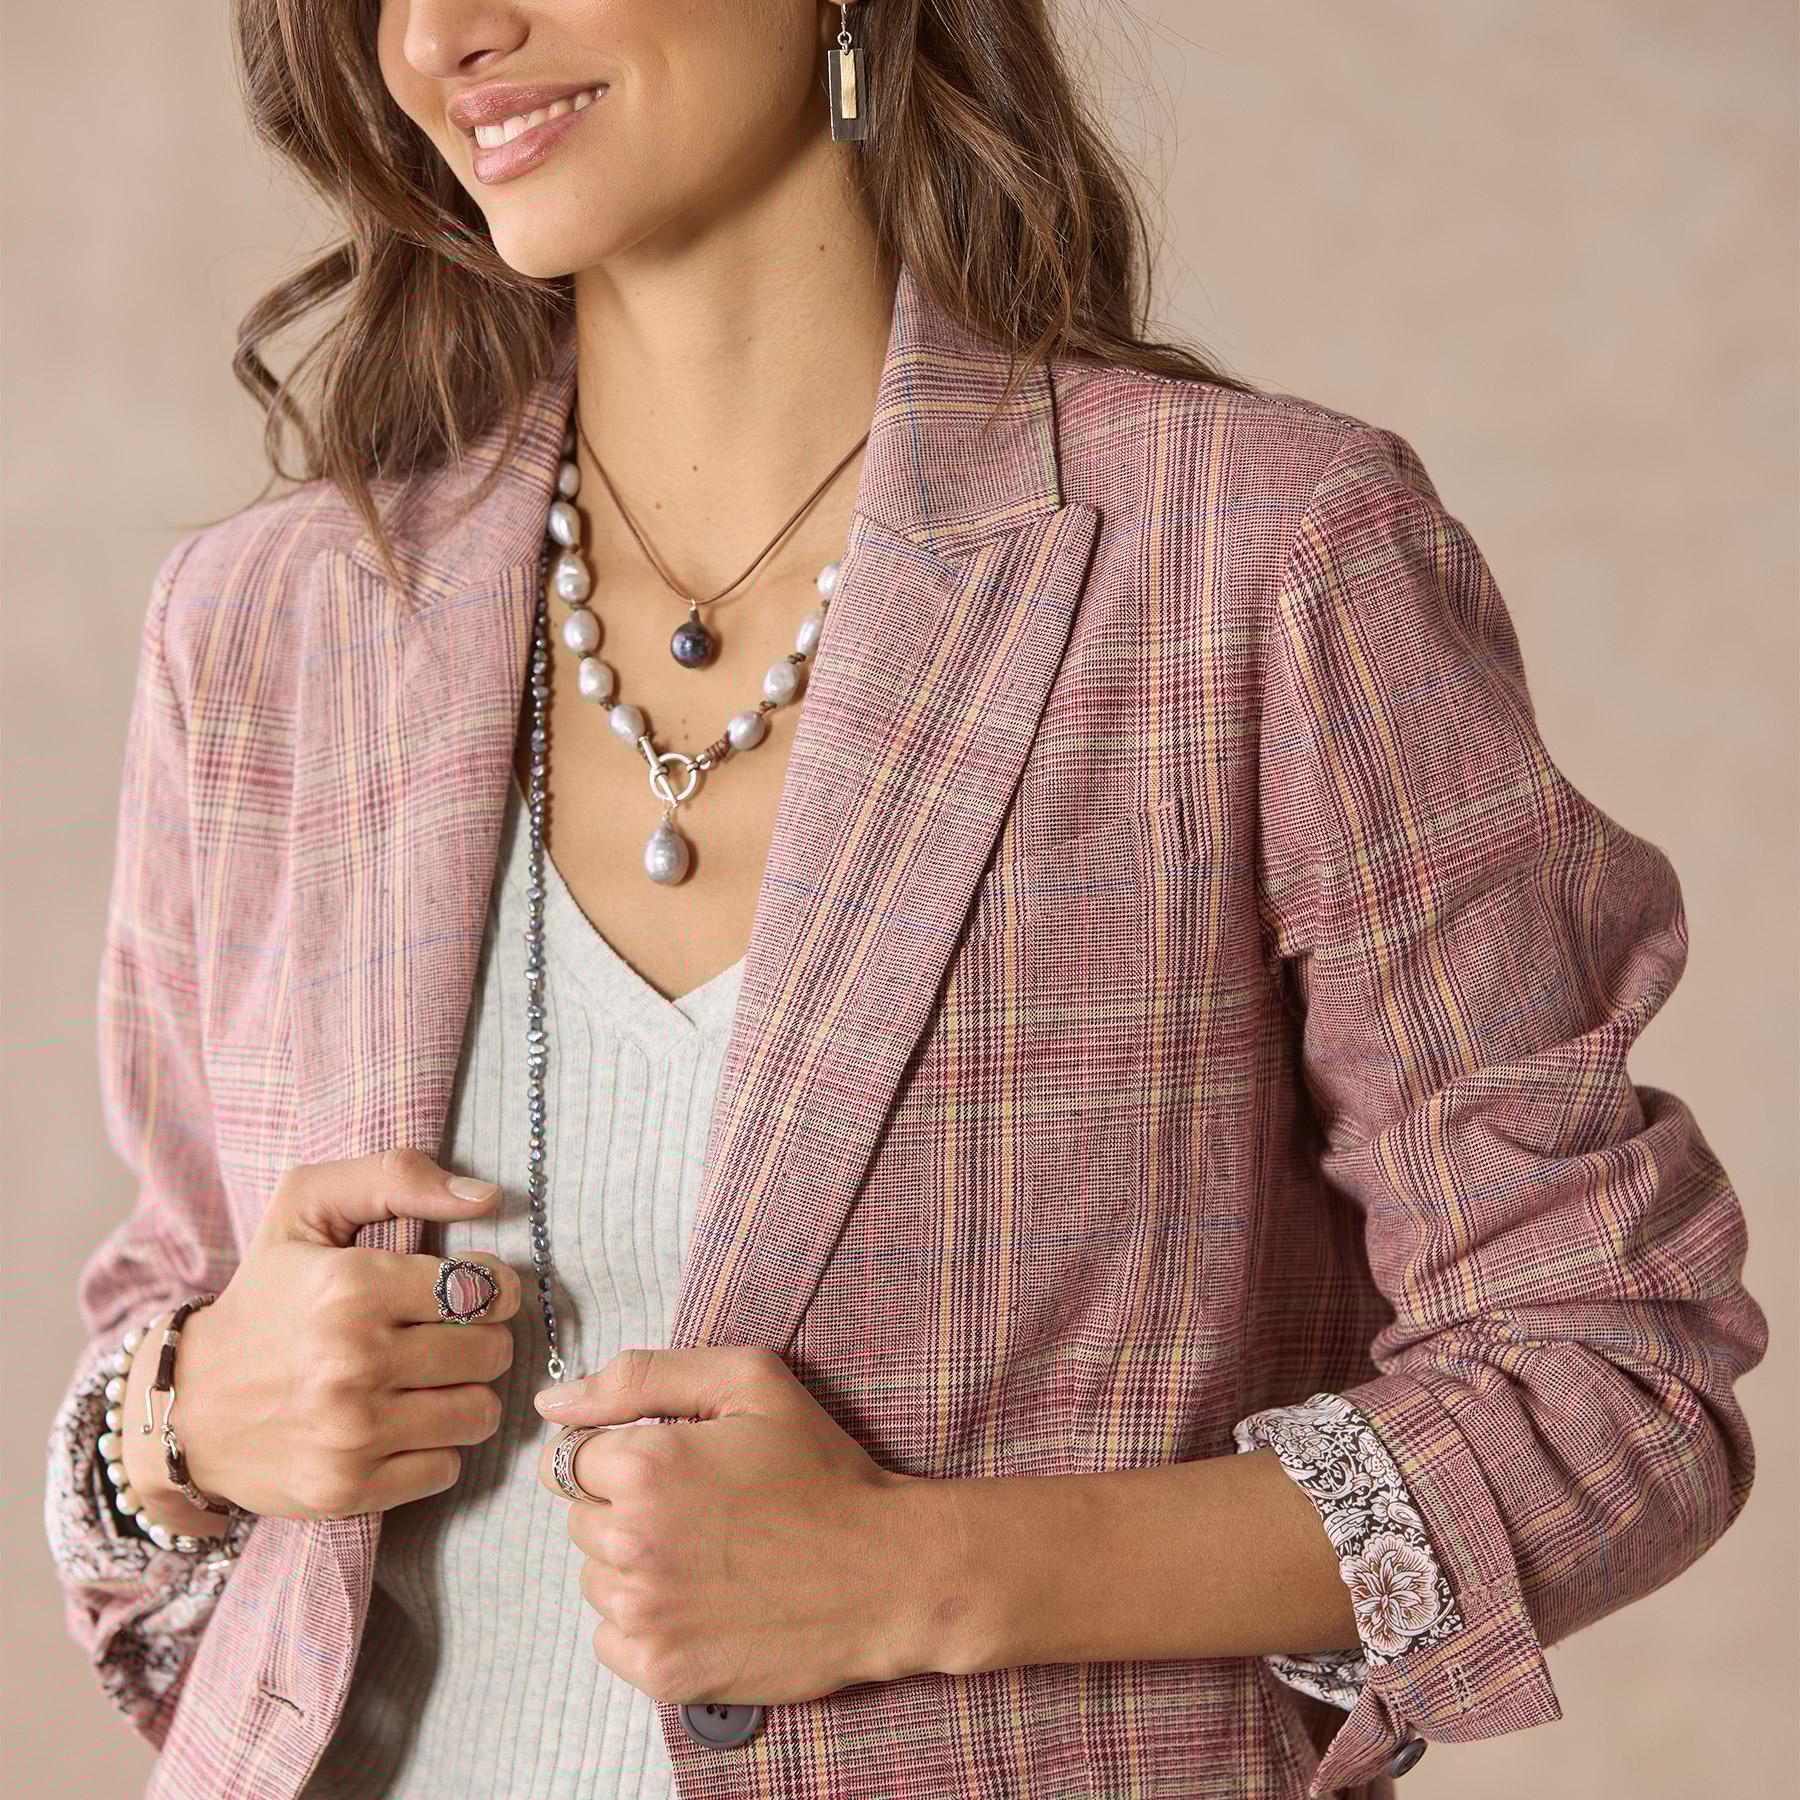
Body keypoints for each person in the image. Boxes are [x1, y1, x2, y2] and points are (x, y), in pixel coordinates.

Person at [45, 1, 1768, 1797]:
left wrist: (925, 1574)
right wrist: (184, 1418)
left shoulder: (1255, 558)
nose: (442, 36)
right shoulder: (270, 624)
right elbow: (156, 1363)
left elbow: (1608, 1370)